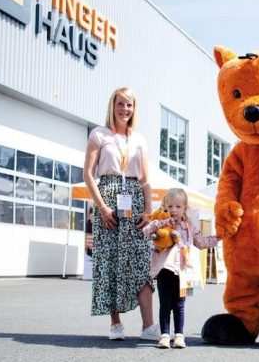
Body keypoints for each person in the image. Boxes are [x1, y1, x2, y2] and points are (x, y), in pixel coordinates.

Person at [83, 87, 158, 341]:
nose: (125, 109)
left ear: (134, 109)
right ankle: (115, 324)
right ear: (112, 106)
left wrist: (148, 211)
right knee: (110, 261)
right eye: (120, 104)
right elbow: (88, 174)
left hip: (135, 201)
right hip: (108, 199)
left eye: (129, 105)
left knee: (141, 261)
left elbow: (146, 180)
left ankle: (149, 326)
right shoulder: (99, 134)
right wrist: (102, 208)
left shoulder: (139, 140)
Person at [143, 188, 219, 349]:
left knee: (179, 305)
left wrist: (218, 238)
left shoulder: (188, 226)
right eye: (170, 206)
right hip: (164, 270)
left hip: (183, 272)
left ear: (185, 208)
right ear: (164, 206)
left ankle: (179, 335)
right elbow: (146, 232)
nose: (174, 210)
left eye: (178, 206)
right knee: (165, 304)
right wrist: (162, 222)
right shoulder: (160, 222)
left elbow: (200, 242)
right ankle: (164, 335)